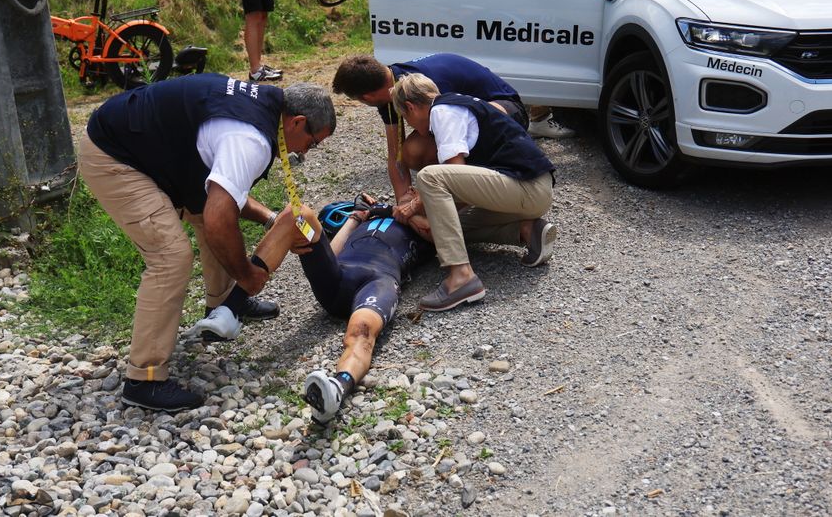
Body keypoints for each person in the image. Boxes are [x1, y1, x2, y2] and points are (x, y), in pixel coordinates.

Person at [79, 73, 335, 411]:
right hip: (115, 156)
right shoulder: (251, 140)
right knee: (171, 257)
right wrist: (248, 275)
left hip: (149, 145)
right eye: (312, 143)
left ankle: (224, 305)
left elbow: (223, 197)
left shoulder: (265, 106)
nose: (306, 152)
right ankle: (145, 379)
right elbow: (220, 217)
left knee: (205, 210)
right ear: (297, 122)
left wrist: (273, 220)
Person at [189, 196, 434, 424]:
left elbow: (434, 233)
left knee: (361, 332)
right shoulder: (368, 217)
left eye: (417, 194)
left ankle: (338, 387)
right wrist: (357, 217)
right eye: (411, 191)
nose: (412, 194)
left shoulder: (425, 224)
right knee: (299, 214)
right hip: (337, 278)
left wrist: (397, 211)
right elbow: (333, 251)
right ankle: (230, 309)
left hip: (379, 282)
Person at [391, 73, 558, 311]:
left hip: (526, 188)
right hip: (529, 190)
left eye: (407, 120)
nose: (413, 129)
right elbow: (459, 193)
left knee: (430, 176)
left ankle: (461, 278)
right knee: (450, 228)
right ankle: (528, 230)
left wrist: (414, 207)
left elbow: (453, 175)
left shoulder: (442, 112)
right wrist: (432, 220)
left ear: (410, 107)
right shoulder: (457, 103)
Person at [332, 53, 568, 218]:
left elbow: (464, 124)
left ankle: (478, 191)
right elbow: (396, 154)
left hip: (506, 109)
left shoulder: (424, 81)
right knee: (414, 151)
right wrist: (402, 201)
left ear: (367, 98)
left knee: (448, 148)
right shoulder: (389, 86)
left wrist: (422, 203)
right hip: (470, 119)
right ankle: (455, 195)